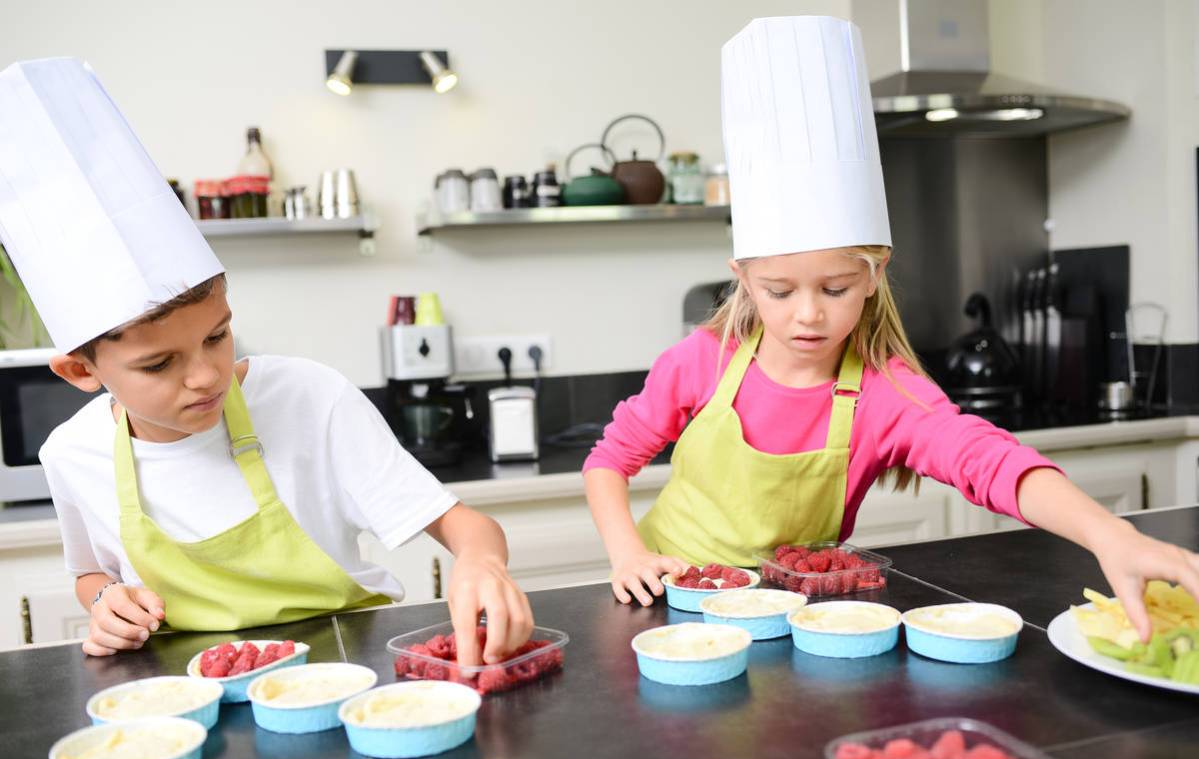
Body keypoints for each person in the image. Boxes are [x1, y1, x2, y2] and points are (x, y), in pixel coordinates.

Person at [582, 16, 1199, 641]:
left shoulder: (884, 393)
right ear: (742, 277)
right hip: (669, 606)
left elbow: (987, 460)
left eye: (835, 288)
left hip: (802, 619)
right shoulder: (703, 360)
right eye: (778, 290)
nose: (808, 314)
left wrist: (1109, 533)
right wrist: (627, 552)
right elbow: (609, 461)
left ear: (875, 275)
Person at [0, 58, 532, 663]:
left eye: (218, 336)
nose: (205, 376)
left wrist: (481, 562)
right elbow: (92, 574)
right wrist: (105, 604)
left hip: (348, 671)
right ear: (81, 371)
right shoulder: (72, 456)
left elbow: (468, 527)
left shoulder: (307, 398)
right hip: (191, 699)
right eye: (158, 365)